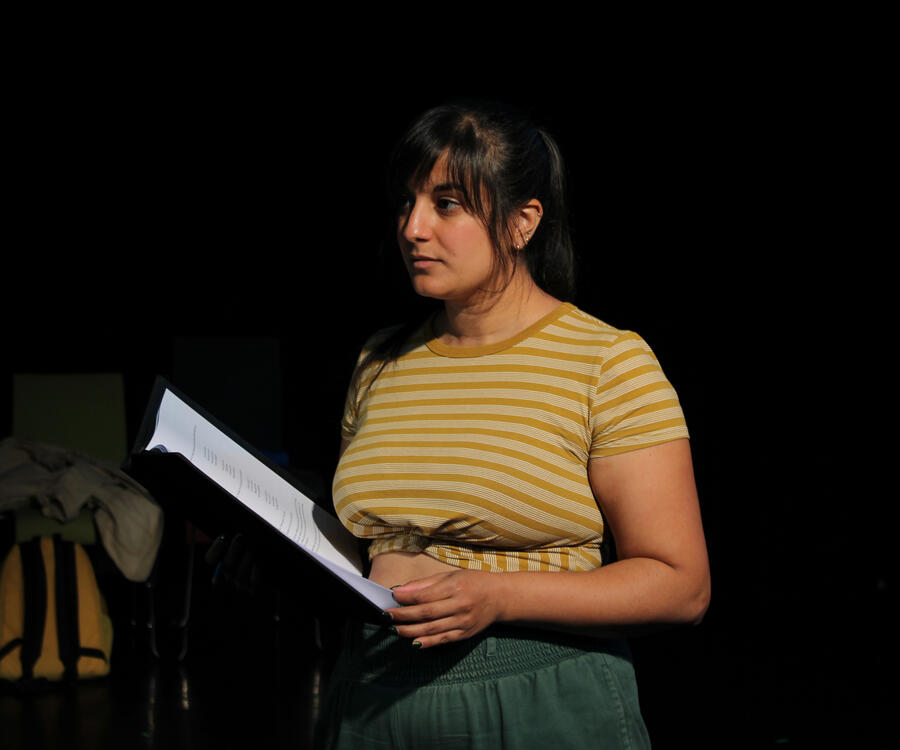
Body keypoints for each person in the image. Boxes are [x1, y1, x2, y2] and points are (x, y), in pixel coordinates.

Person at [315, 100, 710, 749]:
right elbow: (370, 544)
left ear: (523, 222)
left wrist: (497, 595)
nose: (413, 227)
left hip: (537, 703)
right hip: (371, 703)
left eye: (446, 204)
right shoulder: (380, 361)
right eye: (407, 203)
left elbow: (680, 584)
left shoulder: (606, 362)